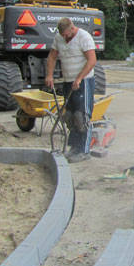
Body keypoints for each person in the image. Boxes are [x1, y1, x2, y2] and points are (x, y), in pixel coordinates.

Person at [45, 17, 97, 163]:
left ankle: (84, 150)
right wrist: (49, 75)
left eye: (67, 34)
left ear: (72, 28)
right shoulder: (59, 38)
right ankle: (74, 147)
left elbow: (92, 60)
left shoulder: (84, 37)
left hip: (84, 81)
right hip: (68, 81)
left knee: (81, 116)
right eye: (62, 35)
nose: (65, 37)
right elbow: (52, 57)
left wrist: (79, 78)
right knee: (69, 115)